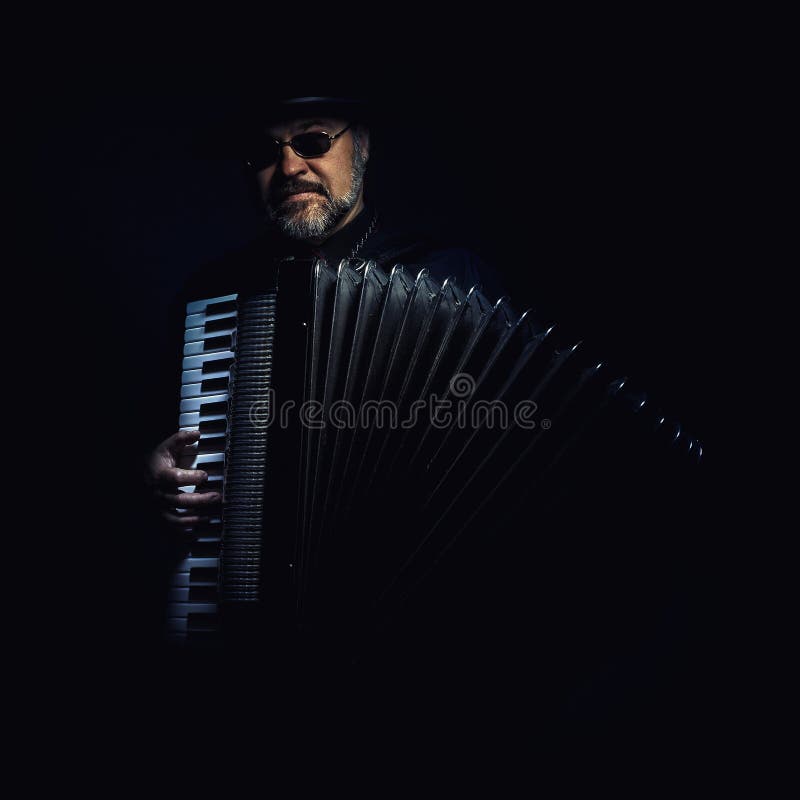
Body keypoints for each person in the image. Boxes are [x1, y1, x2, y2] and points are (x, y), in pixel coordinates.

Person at [146, 95, 506, 530]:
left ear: (363, 144)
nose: (289, 168)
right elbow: (157, 444)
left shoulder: (452, 277)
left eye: (313, 141)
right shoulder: (213, 298)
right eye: (265, 152)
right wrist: (156, 477)